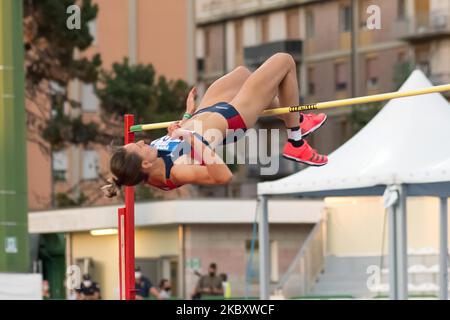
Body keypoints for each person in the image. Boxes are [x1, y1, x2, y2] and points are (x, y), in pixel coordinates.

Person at [102, 53, 328, 196]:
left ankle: (295, 120)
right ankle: (296, 143)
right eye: (139, 147)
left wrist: (186, 117)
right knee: (284, 61)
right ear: (146, 166)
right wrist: (189, 137)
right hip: (231, 119)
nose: (141, 141)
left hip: (205, 113)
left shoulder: (151, 160)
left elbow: (178, 141)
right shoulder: (176, 173)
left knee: (242, 74)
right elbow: (223, 176)